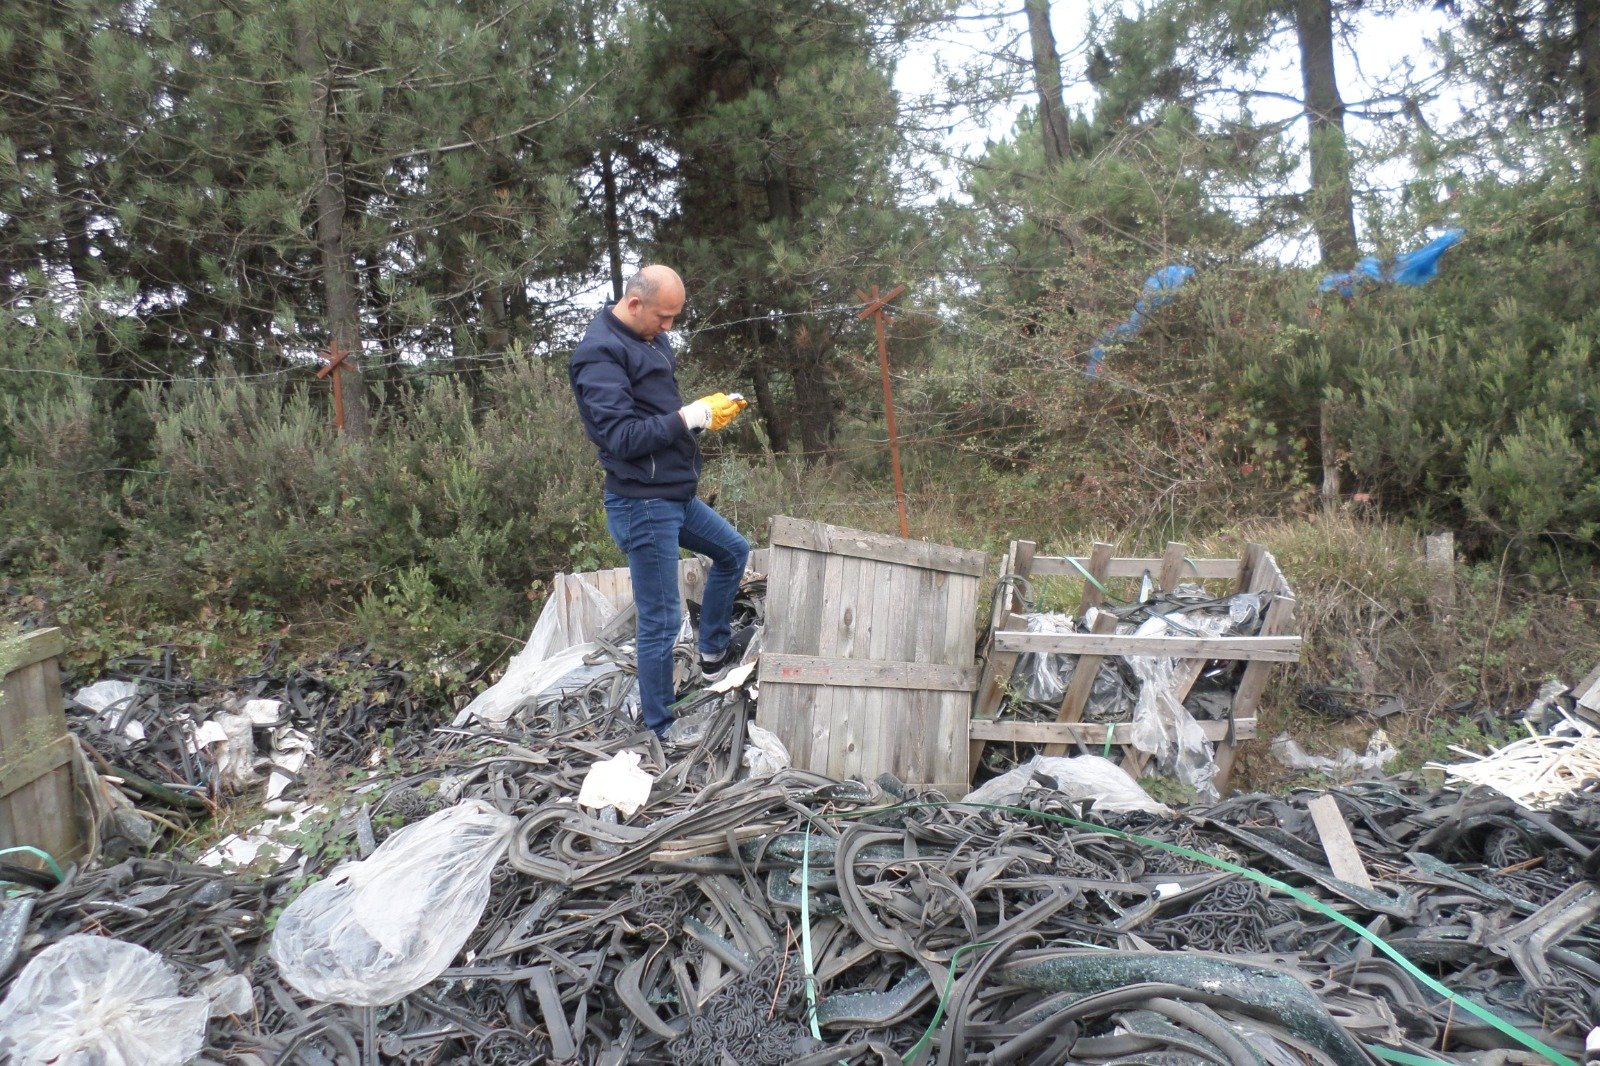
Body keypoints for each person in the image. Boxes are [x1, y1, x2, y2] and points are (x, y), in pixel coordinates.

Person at [568, 265, 751, 739]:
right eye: (664, 317)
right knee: (662, 620)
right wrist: (689, 417)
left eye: (674, 317)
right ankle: (660, 728)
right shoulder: (598, 355)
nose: (669, 327)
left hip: (673, 493)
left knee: (733, 551)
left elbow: (656, 413)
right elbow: (623, 436)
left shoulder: (649, 339)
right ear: (633, 304)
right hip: (641, 503)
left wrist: (704, 414)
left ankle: (712, 655)